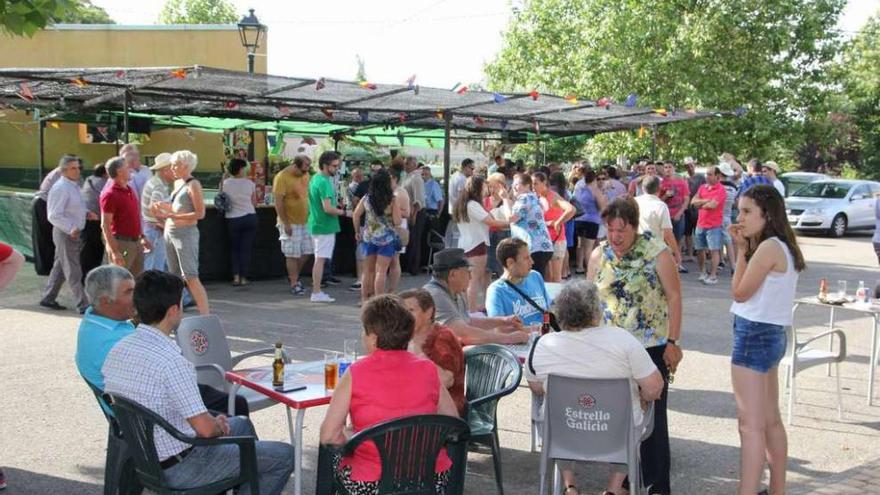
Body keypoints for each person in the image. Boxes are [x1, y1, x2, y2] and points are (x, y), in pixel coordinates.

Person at [103, 270, 293, 494]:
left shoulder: (118, 351)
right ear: (173, 310)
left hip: (147, 457)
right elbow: (204, 430)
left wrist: (215, 424)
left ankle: (243, 480)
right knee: (284, 455)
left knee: (241, 424)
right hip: (182, 465)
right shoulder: (172, 362)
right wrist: (216, 426)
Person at [526, 280, 664, 495]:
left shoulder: (543, 344)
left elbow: (536, 387)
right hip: (615, 433)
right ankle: (613, 488)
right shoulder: (622, 340)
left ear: (560, 313)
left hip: (565, 432)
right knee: (630, 424)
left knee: (558, 418)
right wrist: (642, 396)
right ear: (595, 311)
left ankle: (569, 486)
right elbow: (655, 388)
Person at [587, 196, 683, 495]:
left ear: (634, 227)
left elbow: (675, 297)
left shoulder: (657, 251)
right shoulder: (599, 254)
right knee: (619, 419)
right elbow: (589, 300)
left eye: (622, 230)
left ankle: (657, 486)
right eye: (611, 229)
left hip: (650, 347)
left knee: (653, 421)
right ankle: (624, 483)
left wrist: (672, 341)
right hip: (609, 349)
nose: (615, 236)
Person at [319, 294, 459, 493]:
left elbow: (329, 436)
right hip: (429, 478)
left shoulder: (356, 373)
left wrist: (352, 437)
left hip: (372, 482)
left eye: (364, 331)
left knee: (330, 459)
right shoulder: (428, 369)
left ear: (374, 337)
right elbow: (451, 421)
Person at [727, 185, 804, 495]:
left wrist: (743, 250)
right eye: (738, 211)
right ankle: (777, 489)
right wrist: (744, 248)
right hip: (770, 334)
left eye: (747, 211)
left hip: (754, 334)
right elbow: (743, 289)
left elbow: (740, 292)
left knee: (750, 425)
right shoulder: (780, 245)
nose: (739, 218)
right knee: (770, 420)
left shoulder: (769, 247)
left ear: (767, 214)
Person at [423, 248, 530, 345]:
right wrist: (508, 338)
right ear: (452, 274)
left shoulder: (454, 291)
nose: (470, 277)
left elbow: (468, 322)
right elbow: (464, 334)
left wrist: (504, 320)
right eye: (467, 272)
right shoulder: (436, 295)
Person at [151, 150, 209, 315]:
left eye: (175, 165)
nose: (172, 168)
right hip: (171, 231)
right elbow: (178, 208)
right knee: (174, 277)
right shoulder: (178, 184)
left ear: (185, 166)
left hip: (185, 233)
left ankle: (205, 315)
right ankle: (177, 314)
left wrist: (171, 214)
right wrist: (162, 206)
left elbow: (200, 213)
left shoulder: (193, 184)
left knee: (190, 275)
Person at [400, 288, 466, 416]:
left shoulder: (442, 337)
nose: (405, 316)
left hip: (443, 412)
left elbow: (447, 380)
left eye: (411, 311)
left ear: (428, 312)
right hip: (412, 402)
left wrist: (419, 354)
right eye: (402, 311)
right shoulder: (405, 336)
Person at [454, 175, 512, 311]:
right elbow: (491, 222)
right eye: (485, 186)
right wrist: (510, 223)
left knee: (470, 280)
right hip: (477, 245)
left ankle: (469, 309)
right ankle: (472, 311)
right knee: (473, 280)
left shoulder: (463, 204)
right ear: (478, 187)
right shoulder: (472, 205)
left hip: (466, 244)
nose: (487, 189)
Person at [40, 155, 89, 313]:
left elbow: (74, 207)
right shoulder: (61, 188)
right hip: (66, 233)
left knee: (61, 266)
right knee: (73, 269)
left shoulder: (73, 186)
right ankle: (83, 304)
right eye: (73, 168)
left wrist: (86, 214)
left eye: (78, 167)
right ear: (63, 171)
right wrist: (71, 228)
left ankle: (48, 297)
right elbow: (54, 214)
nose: (77, 171)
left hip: (71, 232)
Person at [352, 169, 401, 302]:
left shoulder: (367, 198)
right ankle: (378, 300)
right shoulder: (391, 199)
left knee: (367, 271)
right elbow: (398, 221)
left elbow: (356, 215)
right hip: (386, 239)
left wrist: (357, 231)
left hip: (369, 238)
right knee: (381, 271)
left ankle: (364, 299)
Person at [101, 157, 150, 276]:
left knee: (135, 281)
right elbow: (105, 225)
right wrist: (115, 251)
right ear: (119, 171)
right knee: (118, 281)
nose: (130, 170)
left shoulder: (129, 190)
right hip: (122, 243)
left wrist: (142, 236)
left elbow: (134, 216)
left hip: (136, 242)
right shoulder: (110, 195)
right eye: (127, 167)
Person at [486, 237, 550, 327]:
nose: (532, 262)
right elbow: (498, 329)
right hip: (521, 339)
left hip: (546, 337)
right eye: (526, 258)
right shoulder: (496, 291)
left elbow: (548, 311)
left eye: (530, 257)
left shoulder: (535, 276)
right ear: (510, 263)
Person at [273, 155, 313, 296]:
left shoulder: (305, 175)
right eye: (304, 168)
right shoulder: (282, 177)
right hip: (290, 221)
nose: (306, 171)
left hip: (306, 220)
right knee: (292, 253)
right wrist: (285, 223)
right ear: (295, 166)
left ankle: (294, 276)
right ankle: (294, 282)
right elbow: (278, 202)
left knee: (308, 251)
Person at [308, 151, 345, 303]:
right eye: (335, 166)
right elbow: (328, 208)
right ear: (325, 165)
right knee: (320, 260)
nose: (337, 169)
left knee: (319, 259)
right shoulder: (324, 182)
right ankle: (316, 292)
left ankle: (317, 291)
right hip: (325, 225)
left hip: (317, 223)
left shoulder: (315, 179)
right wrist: (344, 212)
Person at [534, 171, 576, 282]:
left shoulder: (553, 196)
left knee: (556, 278)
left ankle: (557, 299)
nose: (533, 187)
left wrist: (558, 222)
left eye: (536, 183)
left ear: (544, 183)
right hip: (545, 241)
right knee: (548, 277)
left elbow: (571, 209)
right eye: (532, 184)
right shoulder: (539, 198)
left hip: (556, 241)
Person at [510, 173, 555, 276]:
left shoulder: (525, 198)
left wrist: (505, 200)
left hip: (534, 247)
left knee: (532, 282)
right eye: (513, 185)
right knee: (537, 280)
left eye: (517, 184)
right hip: (542, 247)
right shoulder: (533, 198)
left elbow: (511, 218)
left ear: (527, 185)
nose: (514, 187)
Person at [222, 158, 258, 286]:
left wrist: (224, 176)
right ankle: (244, 277)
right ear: (241, 169)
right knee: (246, 249)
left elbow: (221, 198)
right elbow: (255, 202)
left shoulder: (226, 183)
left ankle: (235, 276)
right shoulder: (250, 183)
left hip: (232, 218)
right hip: (249, 216)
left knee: (234, 249)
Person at [691, 166, 728, 285]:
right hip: (700, 223)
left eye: (710, 174)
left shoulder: (721, 189)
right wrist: (706, 200)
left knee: (714, 250)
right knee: (700, 249)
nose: (707, 176)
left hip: (714, 225)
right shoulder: (702, 187)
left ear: (717, 176)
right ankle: (703, 272)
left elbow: (713, 205)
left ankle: (713, 275)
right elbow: (693, 202)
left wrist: (701, 202)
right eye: (707, 174)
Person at [635, 176, 681, 266]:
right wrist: (676, 253)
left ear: (643, 188)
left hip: (635, 248)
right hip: (654, 250)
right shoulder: (661, 206)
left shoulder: (634, 202)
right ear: (659, 189)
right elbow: (668, 234)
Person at [32, 158, 67, 274]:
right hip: (43, 203)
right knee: (45, 237)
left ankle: (47, 267)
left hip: (44, 203)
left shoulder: (60, 172)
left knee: (47, 237)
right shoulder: (61, 173)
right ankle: (46, 268)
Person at [141, 152, 174, 272]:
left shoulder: (156, 182)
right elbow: (153, 207)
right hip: (154, 231)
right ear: (165, 170)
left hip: (152, 230)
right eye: (172, 168)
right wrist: (163, 224)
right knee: (153, 267)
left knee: (153, 267)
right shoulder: (159, 186)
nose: (175, 171)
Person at [573, 168, 607, 275]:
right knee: (589, 248)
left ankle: (579, 267)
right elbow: (602, 208)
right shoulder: (596, 191)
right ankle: (590, 271)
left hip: (579, 219)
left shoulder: (581, 189)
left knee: (580, 245)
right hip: (592, 221)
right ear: (595, 179)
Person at [659, 161, 690, 272]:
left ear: (674, 168)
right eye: (665, 167)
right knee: (665, 239)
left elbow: (686, 199)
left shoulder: (681, 182)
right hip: (665, 215)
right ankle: (666, 263)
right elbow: (658, 201)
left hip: (678, 214)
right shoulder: (661, 183)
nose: (667, 169)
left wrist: (680, 212)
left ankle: (678, 263)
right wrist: (665, 196)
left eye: (669, 167)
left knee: (678, 239)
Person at [80, 163, 107, 282]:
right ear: (105, 173)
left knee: (87, 251)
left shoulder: (88, 181)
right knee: (96, 252)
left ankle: (86, 277)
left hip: (86, 222)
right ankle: (92, 278)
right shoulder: (103, 184)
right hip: (96, 222)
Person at [387, 158, 411, 293]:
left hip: (397, 229)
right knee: (390, 260)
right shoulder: (389, 191)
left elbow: (407, 212)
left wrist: (391, 211)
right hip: (388, 228)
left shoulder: (400, 192)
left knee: (394, 260)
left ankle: (392, 290)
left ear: (394, 178)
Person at [484, 172, 513, 277]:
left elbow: (510, 220)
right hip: (488, 236)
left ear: (502, 187)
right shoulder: (485, 201)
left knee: (503, 267)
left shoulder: (507, 202)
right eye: (490, 187)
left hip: (503, 236)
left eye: (495, 187)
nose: (491, 190)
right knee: (487, 268)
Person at [445, 158, 475, 247]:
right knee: (457, 236)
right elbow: (462, 197)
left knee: (452, 235)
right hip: (459, 211)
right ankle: (455, 257)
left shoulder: (454, 176)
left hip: (453, 209)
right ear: (465, 167)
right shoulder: (462, 179)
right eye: (471, 168)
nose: (472, 171)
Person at [683, 158, 706, 263]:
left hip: (698, 208)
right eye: (687, 166)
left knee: (699, 232)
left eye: (691, 165)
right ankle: (690, 254)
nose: (690, 168)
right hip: (687, 208)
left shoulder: (701, 177)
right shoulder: (684, 178)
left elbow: (705, 190)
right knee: (687, 232)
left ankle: (702, 252)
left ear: (694, 165)